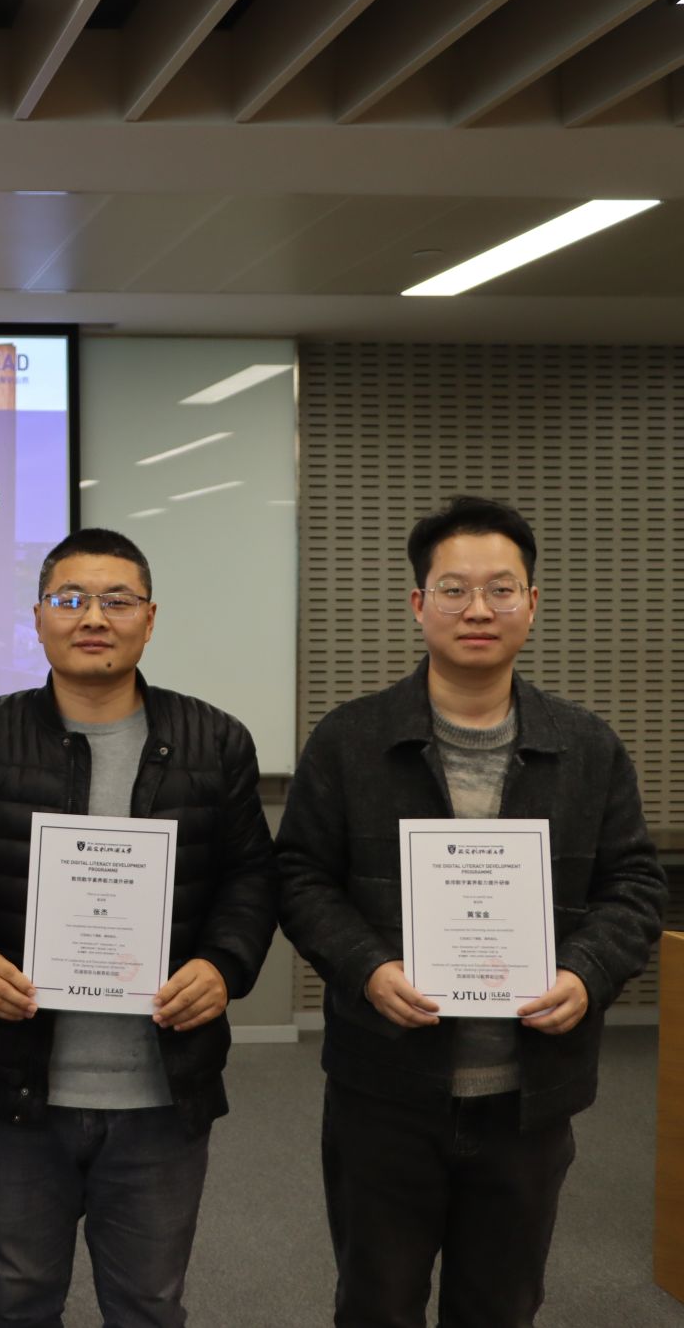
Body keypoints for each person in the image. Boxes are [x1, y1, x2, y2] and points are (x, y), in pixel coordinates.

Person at [276, 496, 666, 1327]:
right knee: (376, 1305)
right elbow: (301, 876)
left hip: (529, 1093)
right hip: (384, 1088)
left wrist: (585, 972)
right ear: (419, 603)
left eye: (501, 588)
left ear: (533, 602)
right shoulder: (350, 739)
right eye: (454, 589)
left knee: (500, 1307)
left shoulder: (588, 746)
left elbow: (634, 884)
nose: (478, 608)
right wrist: (367, 967)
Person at [0, 527, 278, 1328]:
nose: (93, 617)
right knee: (18, 1296)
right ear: (37, 616)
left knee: (149, 1303)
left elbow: (251, 876)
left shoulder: (216, 740)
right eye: (71, 598)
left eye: (117, 600)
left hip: (162, 1086)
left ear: (151, 618)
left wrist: (224, 964)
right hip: (15, 1080)